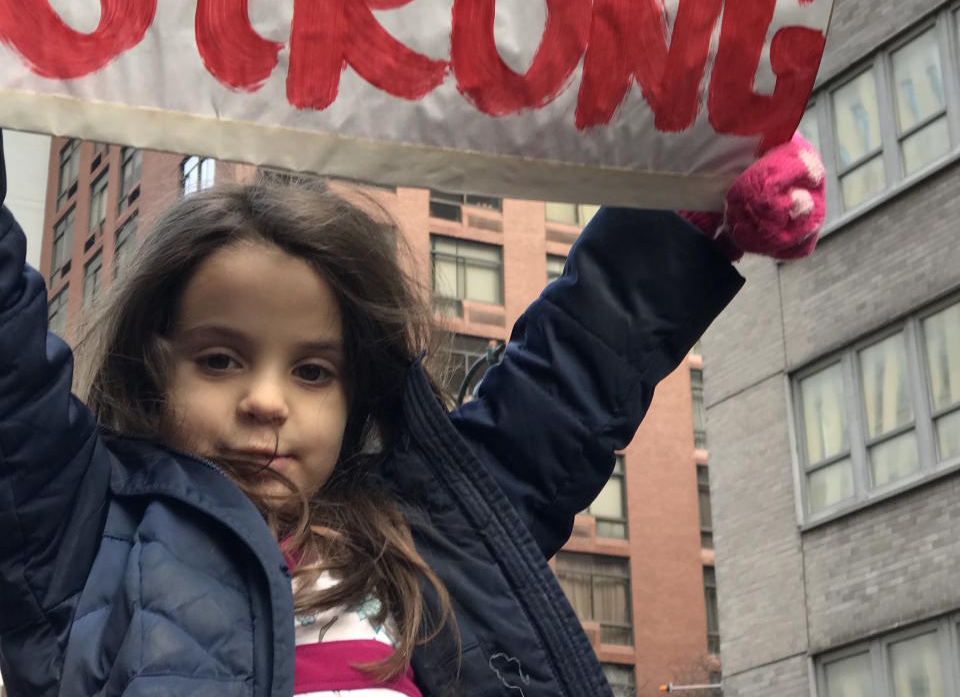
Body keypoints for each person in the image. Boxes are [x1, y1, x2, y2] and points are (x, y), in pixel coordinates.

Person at [0, 128, 825, 697]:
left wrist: (685, 213)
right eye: (220, 359)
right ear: (155, 365)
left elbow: (564, 391)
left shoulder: (424, 538)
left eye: (314, 370)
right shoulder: (85, 540)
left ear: (357, 391)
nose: (265, 400)